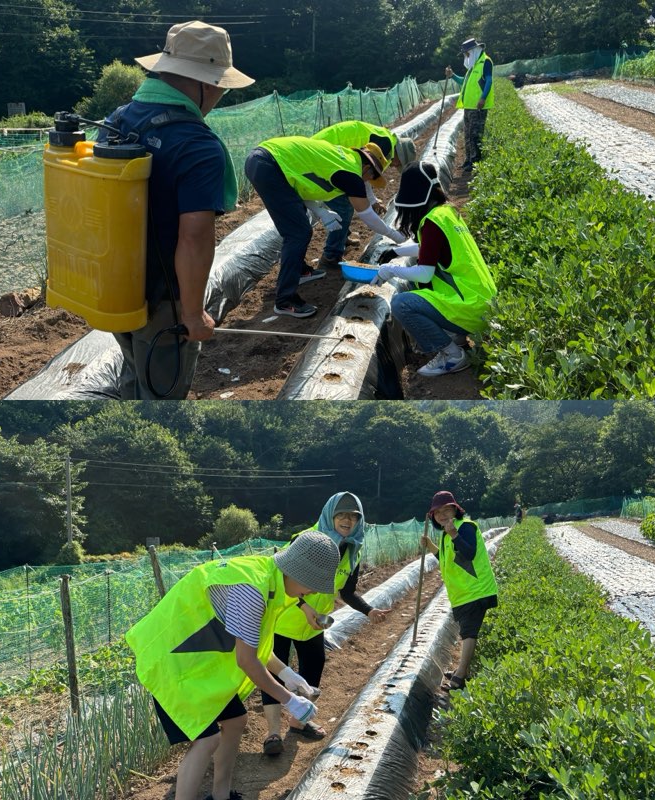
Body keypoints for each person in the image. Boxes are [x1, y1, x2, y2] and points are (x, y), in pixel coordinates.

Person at [125, 531, 341, 800]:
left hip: (201, 661)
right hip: (173, 662)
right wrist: (289, 700)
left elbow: (256, 647)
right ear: (296, 573)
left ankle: (221, 796)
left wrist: (287, 674)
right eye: (312, 584)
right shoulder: (251, 590)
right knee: (207, 740)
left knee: (236, 720)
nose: (313, 591)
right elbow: (246, 660)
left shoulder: (270, 579)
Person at [102, 21, 254, 399]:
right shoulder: (196, 145)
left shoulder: (117, 120)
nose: (220, 93)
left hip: (114, 284)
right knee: (162, 398)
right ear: (204, 83)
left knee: (135, 373)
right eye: (219, 84)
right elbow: (195, 236)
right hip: (163, 299)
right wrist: (191, 315)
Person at [260, 492, 390, 755]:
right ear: (330, 515)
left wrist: (369, 610)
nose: (347, 520)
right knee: (275, 671)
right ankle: (273, 732)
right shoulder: (306, 539)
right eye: (341, 514)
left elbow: (347, 591)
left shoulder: (353, 548)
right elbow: (280, 575)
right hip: (284, 617)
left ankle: (299, 722)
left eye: (353, 516)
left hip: (313, 624)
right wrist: (304, 605)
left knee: (314, 664)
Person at [244, 136, 408, 318]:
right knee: (297, 233)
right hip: (269, 165)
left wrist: (321, 211)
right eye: (372, 177)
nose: (369, 182)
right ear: (367, 168)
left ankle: (300, 270)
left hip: (267, 160)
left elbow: (300, 183)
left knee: (299, 228)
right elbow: (367, 215)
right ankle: (285, 301)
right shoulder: (351, 174)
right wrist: (395, 236)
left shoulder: (344, 158)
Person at [375, 160, 496, 376]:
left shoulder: (431, 222)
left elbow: (425, 271)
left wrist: (389, 270)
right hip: (483, 301)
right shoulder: (447, 212)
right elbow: (433, 248)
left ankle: (452, 355)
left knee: (402, 303)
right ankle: (456, 335)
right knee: (417, 285)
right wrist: (397, 252)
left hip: (471, 308)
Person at [310, 122, 416, 271]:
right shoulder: (384, 146)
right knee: (344, 209)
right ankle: (331, 256)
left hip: (330, 154)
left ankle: (342, 240)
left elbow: (362, 171)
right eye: (399, 163)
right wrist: (393, 234)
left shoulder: (386, 142)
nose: (394, 166)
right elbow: (361, 172)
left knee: (347, 201)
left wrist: (372, 200)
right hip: (321, 155)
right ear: (398, 154)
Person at [421, 491, 498, 693]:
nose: (442, 515)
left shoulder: (465, 528)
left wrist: (454, 534)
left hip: (476, 590)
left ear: (455, 509)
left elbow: (469, 552)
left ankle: (461, 675)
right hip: (463, 593)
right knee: (467, 630)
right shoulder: (447, 535)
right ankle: (461, 669)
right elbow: (446, 559)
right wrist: (430, 545)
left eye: (446, 510)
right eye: (438, 513)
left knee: (468, 633)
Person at [454, 37, 494, 172]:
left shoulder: (485, 62)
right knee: (468, 134)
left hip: (478, 107)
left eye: (467, 53)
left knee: (475, 134)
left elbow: (489, 81)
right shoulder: (472, 67)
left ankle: (476, 162)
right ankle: (468, 160)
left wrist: (482, 98)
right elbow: (463, 83)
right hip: (468, 107)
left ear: (474, 51)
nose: (465, 56)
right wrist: (452, 75)